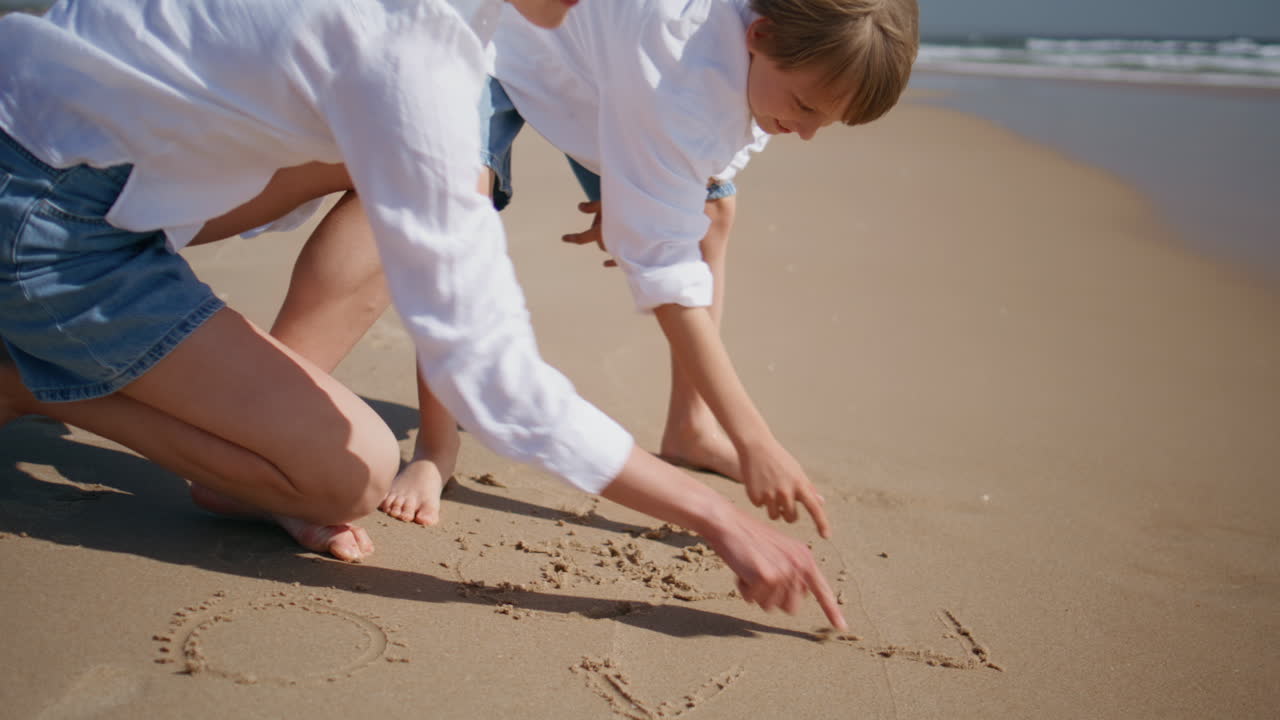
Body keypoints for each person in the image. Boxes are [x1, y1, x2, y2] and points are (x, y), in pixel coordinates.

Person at [0, 0, 845, 629]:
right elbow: (499, 390)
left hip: (46, 115)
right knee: (353, 473)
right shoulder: (418, 70)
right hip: (46, 220)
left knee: (389, 175)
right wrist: (719, 520)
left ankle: (226, 410)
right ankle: (34, 385)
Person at [378, 0, 919, 538]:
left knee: (711, 212)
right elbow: (666, 276)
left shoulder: (739, 64)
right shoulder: (679, 66)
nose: (806, 132)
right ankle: (435, 445)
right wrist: (757, 440)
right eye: (804, 106)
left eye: (825, 120)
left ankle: (692, 428)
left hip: (595, 68)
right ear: (760, 35)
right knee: (461, 202)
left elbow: (697, 167)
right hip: (497, 32)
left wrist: (633, 199)